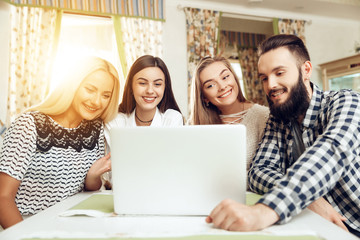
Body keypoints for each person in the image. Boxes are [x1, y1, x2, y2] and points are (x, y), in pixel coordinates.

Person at [206, 34, 360, 237]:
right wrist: (311, 199)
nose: (270, 85)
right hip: (322, 227)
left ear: (305, 70)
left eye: (279, 73)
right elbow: (259, 171)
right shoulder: (278, 119)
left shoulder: (348, 102)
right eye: (264, 78)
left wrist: (263, 212)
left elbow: (331, 152)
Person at [0, 56, 120, 229]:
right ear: (72, 86)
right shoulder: (28, 124)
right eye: (90, 89)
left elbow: (89, 190)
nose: (96, 101)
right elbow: (3, 198)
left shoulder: (96, 128)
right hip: (28, 226)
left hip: (73, 225)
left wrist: (92, 177)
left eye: (105, 95)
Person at [188, 56, 269, 170]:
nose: (222, 86)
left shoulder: (264, 117)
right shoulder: (193, 125)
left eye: (225, 77)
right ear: (204, 97)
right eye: (210, 85)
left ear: (234, 78)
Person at [105, 55, 183, 136]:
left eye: (157, 84)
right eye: (142, 83)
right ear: (131, 87)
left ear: (165, 88)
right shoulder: (116, 122)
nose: (150, 91)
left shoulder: (172, 119)